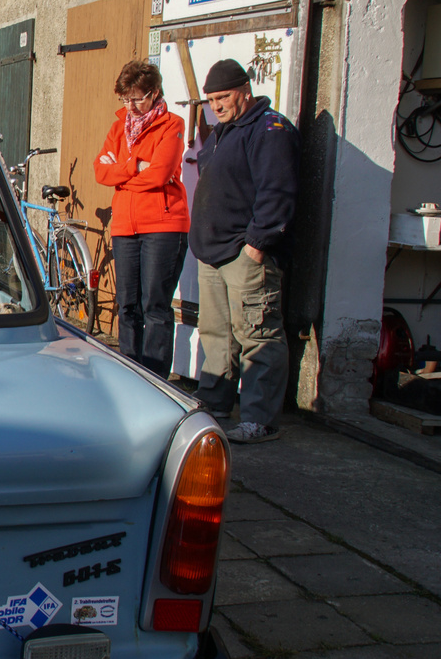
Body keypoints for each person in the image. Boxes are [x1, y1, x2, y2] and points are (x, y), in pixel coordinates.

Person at [190, 59, 299, 444]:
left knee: (258, 334)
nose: (216, 105)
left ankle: (260, 419)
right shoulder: (223, 131)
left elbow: (278, 191)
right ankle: (215, 402)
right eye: (211, 100)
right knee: (216, 333)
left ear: (245, 90)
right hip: (212, 252)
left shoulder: (270, 129)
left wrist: (256, 245)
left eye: (223, 97)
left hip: (244, 253)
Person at [93, 60, 189, 377]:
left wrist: (121, 173)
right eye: (125, 99)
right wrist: (135, 166)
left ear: (154, 92)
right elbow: (100, 170)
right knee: (128, 305)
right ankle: (132, 373)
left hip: (163, 224)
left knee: (156, 307)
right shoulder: (119, 126)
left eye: (137, 98)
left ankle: (157, 379)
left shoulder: (172, 125)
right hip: (125, 226)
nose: (130, 106)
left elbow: (161, 173)